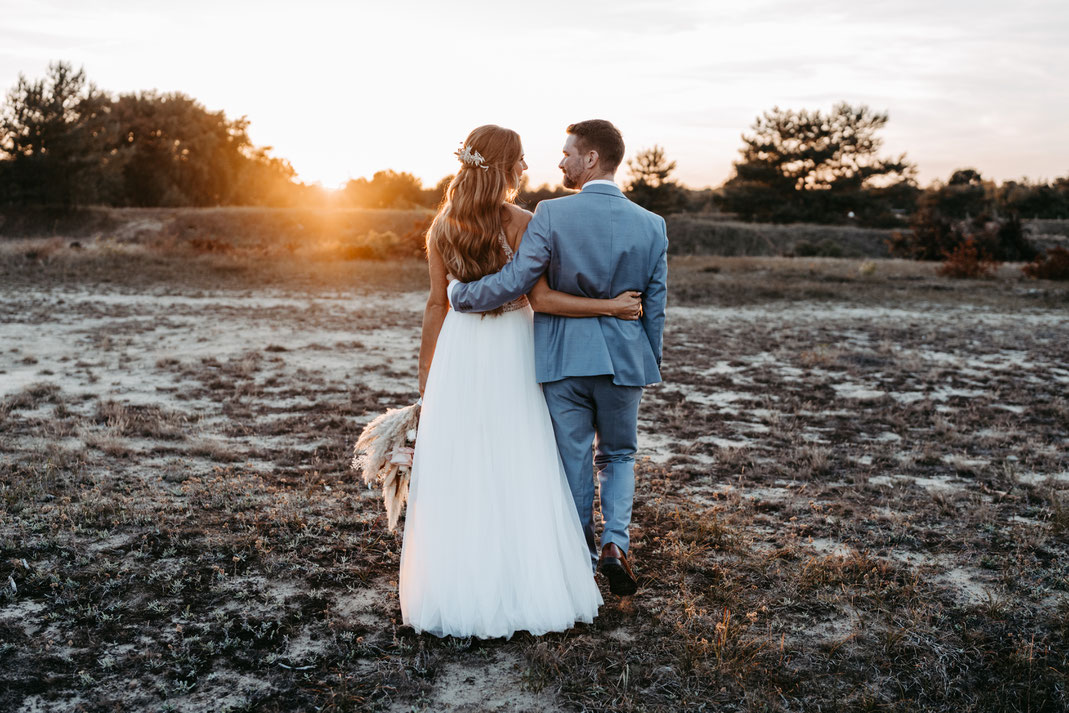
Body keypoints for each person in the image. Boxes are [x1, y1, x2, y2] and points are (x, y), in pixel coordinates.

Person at [399, 124, 643, 639]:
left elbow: (436, 304)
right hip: (513, 343)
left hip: (460, 351)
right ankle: (531, 574)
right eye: (522, 162)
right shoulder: (523, 222)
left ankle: (460, 579)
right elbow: (538, 297)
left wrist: (427, 377)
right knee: (523, 455)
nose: (528, 169)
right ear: (506, 168)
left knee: (466, 463)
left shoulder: (442, 226)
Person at [449, 120, 667, 597]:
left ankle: (578, 560)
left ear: (591, 159)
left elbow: (517, 282)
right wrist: (648, 361)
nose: (561, 161)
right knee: (620, 454)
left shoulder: (550, 214)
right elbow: (655, 304)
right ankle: (615, 543)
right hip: (624, 362)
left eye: (568, 153)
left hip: (564, 360)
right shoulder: (653, 225)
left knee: (571, 460)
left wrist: (461, 295)